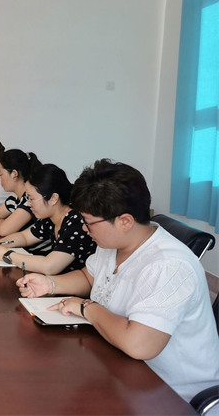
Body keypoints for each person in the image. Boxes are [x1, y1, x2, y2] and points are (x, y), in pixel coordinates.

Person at [17, 159, 219, 403]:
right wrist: (50, 284)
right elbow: (88, 277)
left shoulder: (169, 265)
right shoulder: (112, 243)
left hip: (172, 395)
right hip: (119, 367)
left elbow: (139, 345)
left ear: (125, 221)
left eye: (89, 222)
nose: (84, 229)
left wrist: (87, 308)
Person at [0, 163, 96, 274]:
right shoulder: (50, 218)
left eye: (32, 199)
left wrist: (5, 255)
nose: (29, 204)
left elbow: (49, 266)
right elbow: (24, 237)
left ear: (53, 198)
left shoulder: (76, 222)